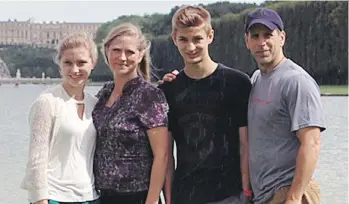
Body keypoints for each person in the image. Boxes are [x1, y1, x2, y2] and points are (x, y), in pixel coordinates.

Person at [158, 5, 252, 204]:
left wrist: (246, 192)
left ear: (210, 36)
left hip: (230, 195)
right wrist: (169, 200)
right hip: (185, 196)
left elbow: (245, 144)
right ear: (174, 39)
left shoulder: (238, 83)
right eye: (184, 39)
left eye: (197, 39)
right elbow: (167, 154)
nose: (191, 47)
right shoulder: (169, 90)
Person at [244, 8, 326, 204]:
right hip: (266, 195)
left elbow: (312, 143)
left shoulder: (296, 81)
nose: (262, 42)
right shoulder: (256, 78)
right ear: (247, 41)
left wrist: (294, 197)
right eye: (255, 36)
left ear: (282, 37)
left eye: (268, 35)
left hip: (290, 192)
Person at [91, 23, 170, 204]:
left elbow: (162, 154)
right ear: (106, 52)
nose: (122, 57)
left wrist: (151, 201)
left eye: (130, 52)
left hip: (137, 196)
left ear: (141, 54)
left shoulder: (149, 96)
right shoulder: (104, 93)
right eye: (116, 50)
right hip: (102, 196)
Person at [21, 32, 100, 204]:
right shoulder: (47, 102)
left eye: (81, 63)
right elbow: (36, 159)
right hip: (55, 197)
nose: (74, 70)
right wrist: (40, 200)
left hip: (91, 197)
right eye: (68, 63)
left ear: (93, 63)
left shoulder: (96, 104)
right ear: (60, 65)